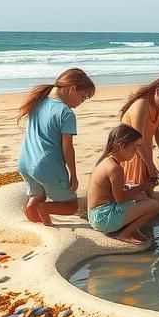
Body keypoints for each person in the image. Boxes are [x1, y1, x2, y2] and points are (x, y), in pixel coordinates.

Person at [17, 68, 95, 226]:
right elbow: (67, 148)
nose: (80, 103)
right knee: (71, 206)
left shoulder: (38, 101)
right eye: (83, 97)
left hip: (25, 162)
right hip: (47, 166)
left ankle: (43, 225)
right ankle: (44, 211)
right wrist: (73, 174)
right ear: (72, 89)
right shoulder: (65, 113)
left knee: (37, 197)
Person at [86, 124, 159, 245]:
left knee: (141, 196)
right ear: (122, 146)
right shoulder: (115, 168)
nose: (136, 152)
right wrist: (144, 186)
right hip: (103, 218)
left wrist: (135, 188)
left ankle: (130, 229)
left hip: (96, 216)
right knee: (154, 205)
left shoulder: (107, 160)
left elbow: (111, 192)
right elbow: (120, 199)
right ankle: (124, 234)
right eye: (135, 147)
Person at [120, 74, 159, 191]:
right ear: (158, 91)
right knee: (137, 195)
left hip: (145, 153)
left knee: (149, 192)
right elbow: (136, 139)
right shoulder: (142, 104)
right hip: (132, 155)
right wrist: (150, 165)